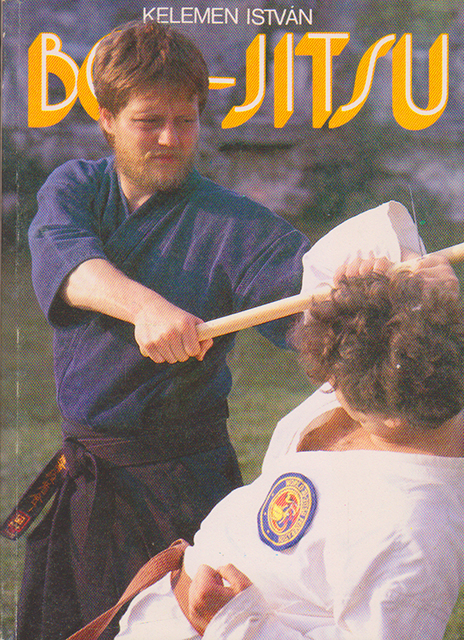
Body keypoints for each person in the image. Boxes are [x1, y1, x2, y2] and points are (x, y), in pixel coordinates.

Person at [21, 19, 313, 640]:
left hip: (187, 487)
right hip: (90, 478)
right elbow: (69, 265)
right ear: (106, 118)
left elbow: (317, 307)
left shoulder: (236, 226)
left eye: (185, 120)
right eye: (148, 121)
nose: (170, 138)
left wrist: (377, 283)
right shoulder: (75, 188)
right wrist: (147, 308)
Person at [112, 257, 464, 640]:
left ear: (390, 417)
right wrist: (395, 283)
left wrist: (235, 624)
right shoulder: (406, 391)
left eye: (338, 386)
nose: (329, 388)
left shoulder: (413, 537)